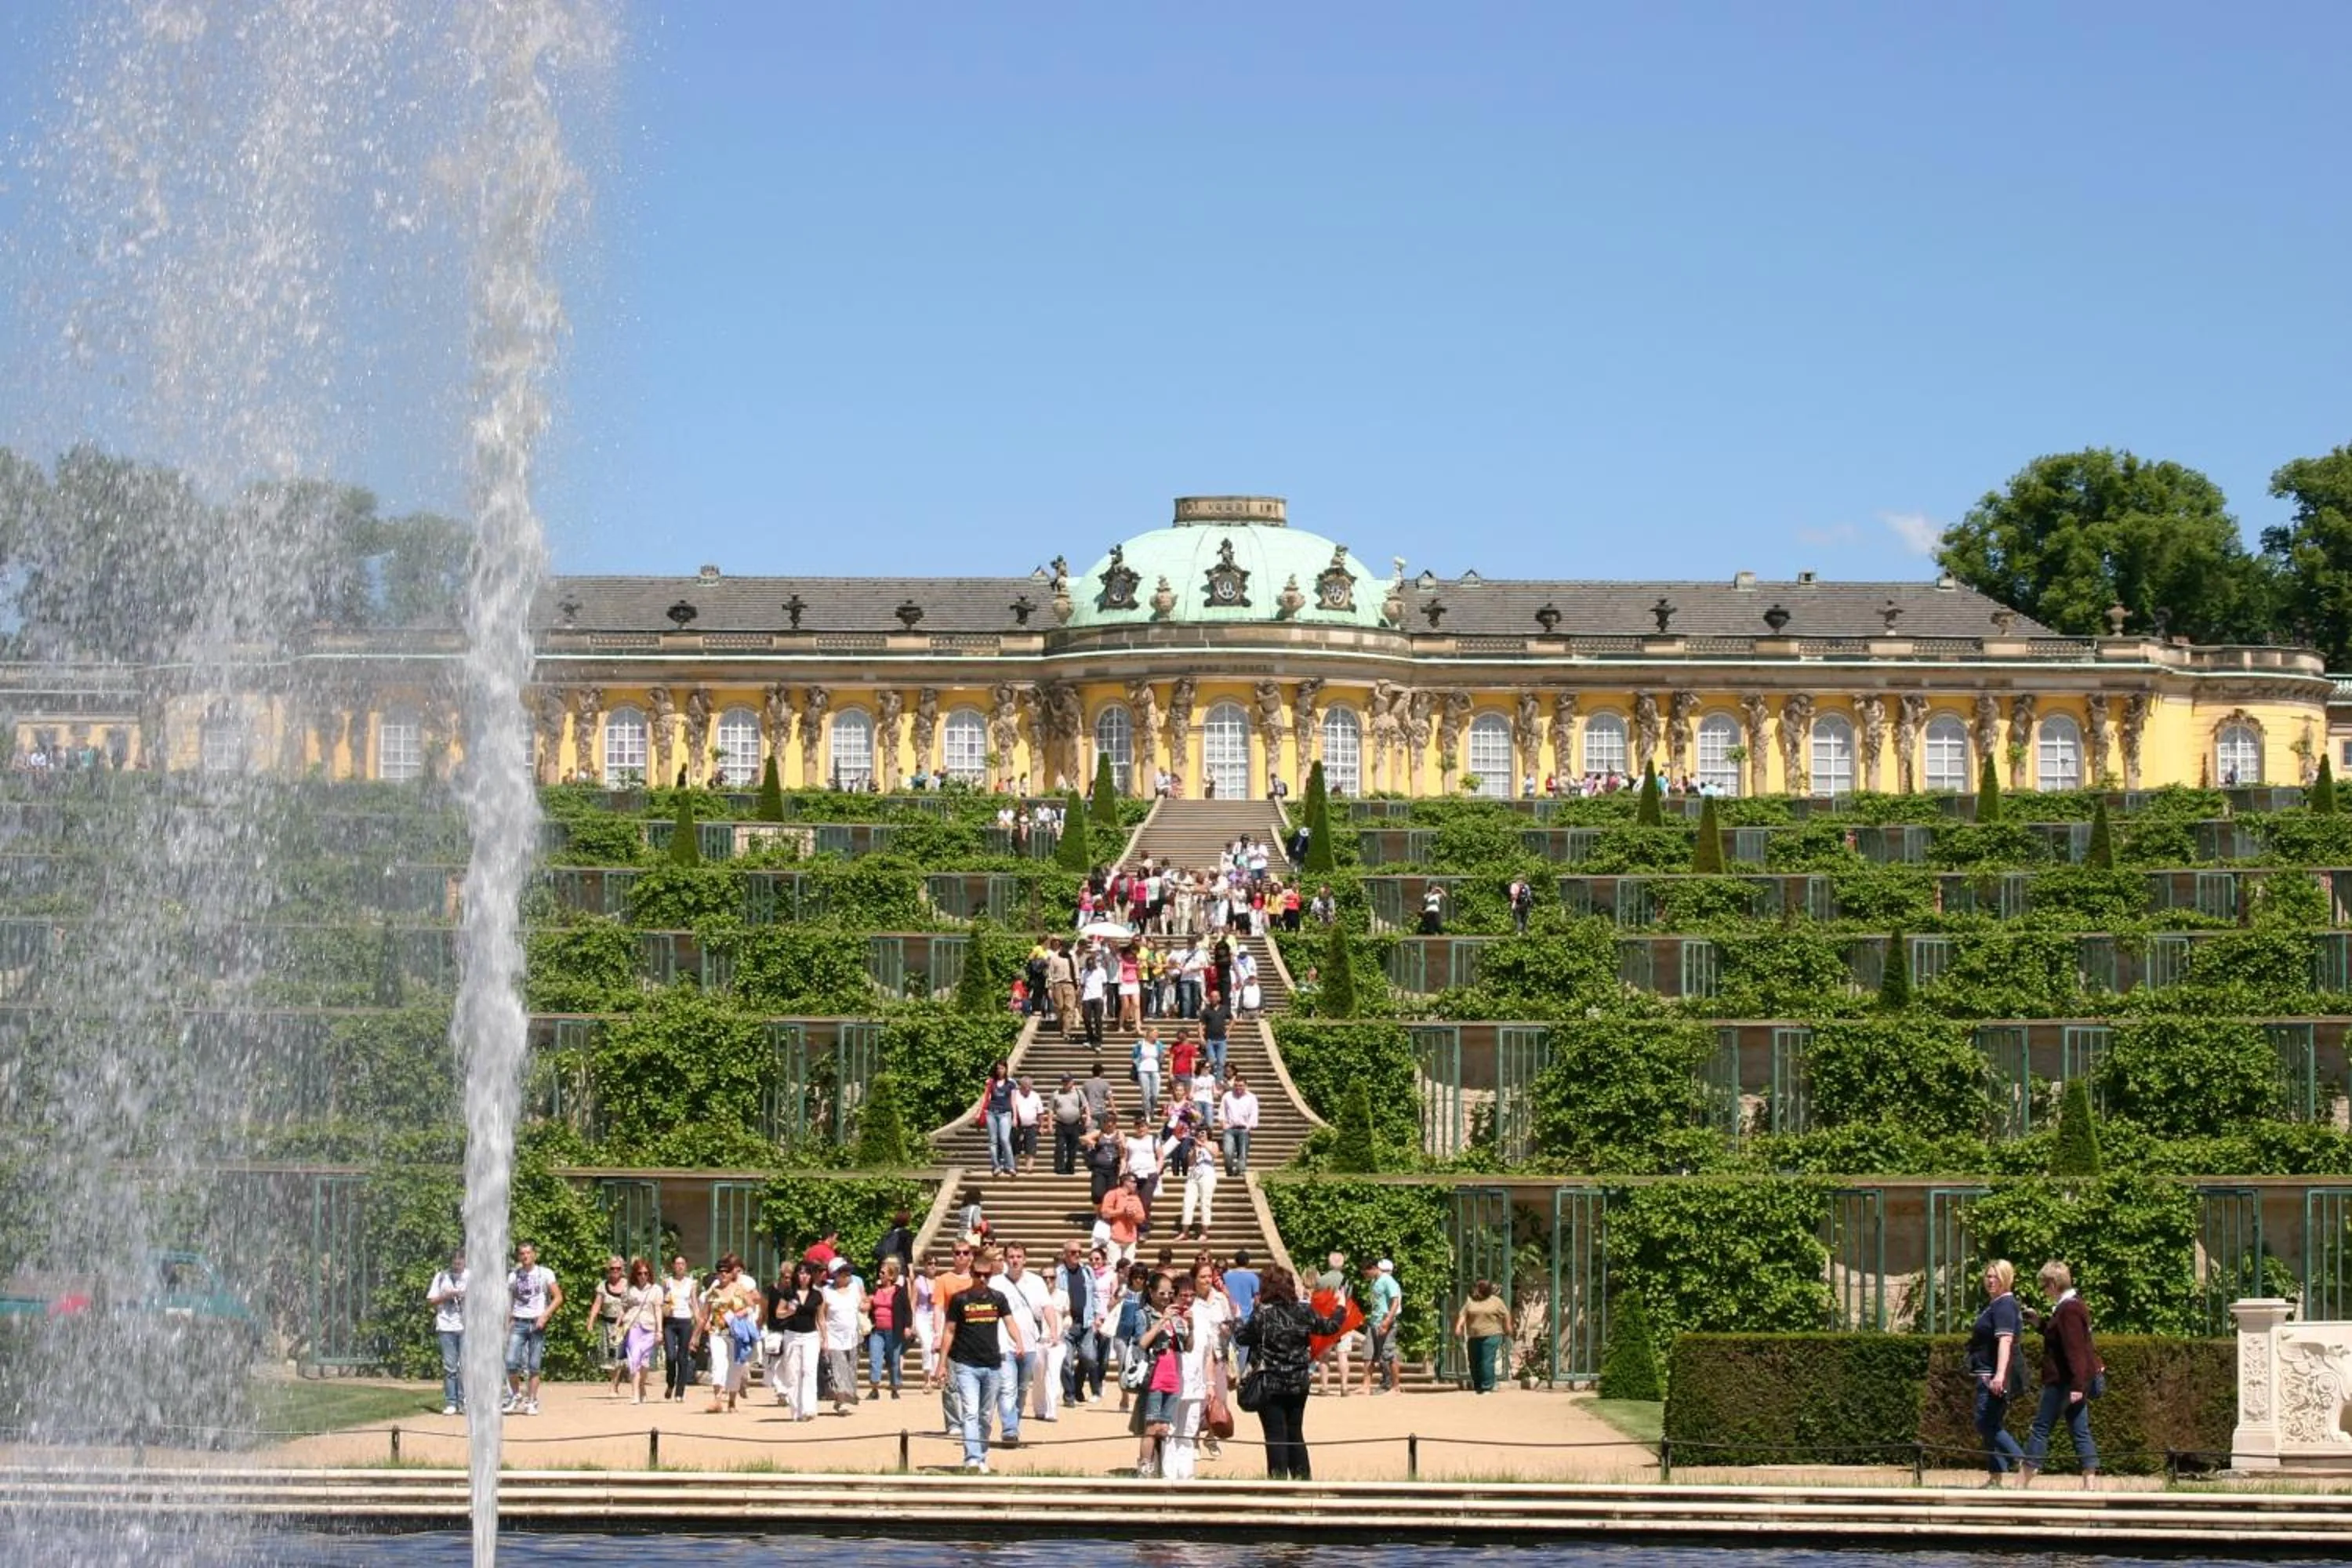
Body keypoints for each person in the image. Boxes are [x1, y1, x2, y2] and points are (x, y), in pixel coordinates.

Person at [1234, 1263, 1349, 1479]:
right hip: (1298, 1381)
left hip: (1270, 1382)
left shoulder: (1263, 1315)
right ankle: (1303, 1480)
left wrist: (1241, 1317)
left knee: (1275, 1434)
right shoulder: (1304, 1311)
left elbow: (1241, 1337)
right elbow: (1330, 1328)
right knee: (1295, 1432)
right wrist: (1341, 1308)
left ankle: (1278, 1482)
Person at [2020, 1260, 2103, 1489]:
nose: (2044, 1291)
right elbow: (2067, 1340)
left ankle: (2023, 1481)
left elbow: (2075, 1350)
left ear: (2054, 1284)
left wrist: (2077, 1385)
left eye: (2044, 1286)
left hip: (2062, 1382)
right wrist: (2039, 1323)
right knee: (2079, 1429)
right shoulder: (2072, 1306)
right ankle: (2090, 1484)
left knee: (2041, 1428)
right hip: (2072, 1382)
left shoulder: (2069, 1309)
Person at [938, 1245, 1021, 1473]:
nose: (982, 1279)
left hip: (993, 1364)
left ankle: (981, 1455)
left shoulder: (998, 1298)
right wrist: (941, 1364)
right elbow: (949, 1331)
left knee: (985, 1415)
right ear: (972, 1274)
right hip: (966, 1364)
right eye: (978, 1275)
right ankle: (972, 1458)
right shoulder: (959, 1299)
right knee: (971, 1411)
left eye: (987, 1275)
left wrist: (1019, 1342)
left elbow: (1010, 1322)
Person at [1969, 1258, 2026, 1483]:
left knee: (1985, 1423)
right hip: (1987, 1373)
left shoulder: (2004, 1305)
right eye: (1988, 1276)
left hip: (1993, 1375)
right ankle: (1996, 1477)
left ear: (2007, 1279)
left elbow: (2005, 1340)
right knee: (1991, 1423)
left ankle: (2023, 1461)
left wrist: (1999, 1376)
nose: (1991, 1281)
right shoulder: (1996, 1304)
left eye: (1996, 1277)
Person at [1000, 1243, 1056, 1428]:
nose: (1015, 1260)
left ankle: (1014, 1420)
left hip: (1030, 1342)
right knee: (1008, 1388)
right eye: (1011, 1256)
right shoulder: (996, 1282)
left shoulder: (1036, 1281)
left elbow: (1047, 1307)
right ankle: (1010, 1428)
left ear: (1025, 1259)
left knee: (1022, 1388)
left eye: (1018, 1256)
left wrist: (1053, 1330)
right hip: (1004, 1343)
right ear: (1006, 1259)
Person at [503, 1242, 561, 1417]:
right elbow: (509, 1300)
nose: (526, 1256)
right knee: (511, 1361)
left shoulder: (545, 1273)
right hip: (519, 1322)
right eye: (522, 1253)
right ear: (519, 1256)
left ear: (534, 1255)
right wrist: (508, 1319)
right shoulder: (513, 1276)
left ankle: (532, 1400)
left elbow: (558, 1297)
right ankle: (516, 1395)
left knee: (534, 1365)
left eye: (529, 1253)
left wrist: (545, 1315)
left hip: (536, 1323)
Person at [931, 1242, 977, 1439]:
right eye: (957, 1253)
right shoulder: (943, 1280)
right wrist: (937, 1335)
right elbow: (938, 1309)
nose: (961, 1256)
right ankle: (953, 1422)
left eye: (965, 1253)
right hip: (952, 1333)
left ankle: (970, 1419)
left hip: (974, 1334)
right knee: (950, 1380)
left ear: (971, 1256)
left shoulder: (977, 1278)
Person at [819, 1257, 867, 1414]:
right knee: (839, 1369)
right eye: (843, 1272)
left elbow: (865, 1304)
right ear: (835, 1274)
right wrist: (824, 1338)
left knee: (851, 1368)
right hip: (834, 1337)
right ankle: (842, 1400)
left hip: (853, 1335)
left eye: (848, 1272)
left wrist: (865, 1306)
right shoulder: (826, 1292)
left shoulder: (855, 1288)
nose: (847, 1275)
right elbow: (822, 1316)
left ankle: (843, 1398)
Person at [1056, 1239, 1100, 1407]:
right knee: (1066, 1361)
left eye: (1079, 1252)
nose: (1077, 1255)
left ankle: (1077, 1385)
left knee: (1089, 1358)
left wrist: (1097, 1315)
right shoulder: (1059, 1273)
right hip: (1067, 1324)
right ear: (1065, 1254)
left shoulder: (1087, 1271)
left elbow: (1095, 1294)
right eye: (1073, 1252)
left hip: (1086, 1322)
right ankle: (1069, 1395)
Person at [1453, 1277, 1512, 1393]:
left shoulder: (1496, 1301)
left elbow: (1506, 1315)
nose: (1475, 1291)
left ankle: (1487, 1386)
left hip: (1492, 1335)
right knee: (1474, 1362)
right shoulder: (1471, 1301)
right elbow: (1463, 1314)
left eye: (1478, 1289)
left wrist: (1508, 1327)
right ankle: (1478, 1386)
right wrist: (1458, 1327)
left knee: (1486, 1361)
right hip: (1474, 1336)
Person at [427, 1249, 467, 1417]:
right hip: (445, 1327)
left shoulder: (471, 1276)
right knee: (450, 1366)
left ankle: (464, 1401)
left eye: (460, 1262)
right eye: (455, 1262)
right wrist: (446, 1296)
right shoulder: (441, 1277)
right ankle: (451, 1402)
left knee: (466, 1366)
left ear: (465, 1261)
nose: (457, 1265)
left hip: (466, 1326)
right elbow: (431, 1301)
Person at [587, 1255, 630, 1398]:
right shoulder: (602, 1286)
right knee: (609, 1356)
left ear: (622, 1269)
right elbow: (597, 1304)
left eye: (618, 1268)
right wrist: (591, 1321)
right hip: (607, 1324)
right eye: (613, 1268)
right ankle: (615, 1381)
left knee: (618, 1355)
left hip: (622, 1326)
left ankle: (613, 1385)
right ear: (608, 1269)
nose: (615, 1271)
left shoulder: (628, 1285)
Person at [866, 1256, 909, 1400]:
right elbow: (868, 1304)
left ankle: (895, 1387)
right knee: (875, 1357)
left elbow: (907, 1310)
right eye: (880, 1272)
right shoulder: (875, 1289)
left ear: (891, 1276)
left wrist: (908, 1326)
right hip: (877, 1330)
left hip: (894, 1330)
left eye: (883, 1273)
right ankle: (874, 1387)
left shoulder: (900, 1291)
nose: (880, 1275)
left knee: (894, 1360)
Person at [1314, 1251, 1353, 1396]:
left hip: (1325, 1320)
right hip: (1343, 1320)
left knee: (1324, 1356)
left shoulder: (1321, 1280)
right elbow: (1348, 1299)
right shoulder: (1347, 1280)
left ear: (1329, 1263)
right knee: (1342, 1355)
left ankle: (1324, 1387)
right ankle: (1344, 1387)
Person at [661, 1256, 699, 1402]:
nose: (680, 1266)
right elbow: (662, 1302)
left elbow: (694, 1303)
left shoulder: (691, 1283)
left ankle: (679, 1392)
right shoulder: (667, 1282)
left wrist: (699, 1321)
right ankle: (670, 1383)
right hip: (670, 1321)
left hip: (685, 1321)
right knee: (671, 1356)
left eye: (682, 1264)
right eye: (677, 1264)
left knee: (682, 1357)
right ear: (673, 1266)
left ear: (686, 1266)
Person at [1362, 1258, 1402, 1395]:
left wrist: (1387, 1321)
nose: (1365, 1276)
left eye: (1366, 1273)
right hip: (1374, 1322)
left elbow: (1395, 1302)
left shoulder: (1388, 1280)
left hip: (1386, 1322)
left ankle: (1396, 1387)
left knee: (1388, 1354)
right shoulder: (1374, 1282)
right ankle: (1365, 1386)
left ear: (1374, 1268)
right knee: (1369, 1353)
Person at [1098, 1171, 1147, 1268]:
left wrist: (1133, 1215)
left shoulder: (1135, 1198)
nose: (1135, 1184)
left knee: (1128, 1268)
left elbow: (1141, 1218)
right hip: (1114, 1238)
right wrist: (1122, 1211)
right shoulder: (1113, 1194)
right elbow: (1105, 1213)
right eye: (1133, 1182)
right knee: (1113, 1268)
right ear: (1126, 1182)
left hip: (1130, 1239)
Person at [982, 1060, 1017, 1178]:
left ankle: (1010, 1166)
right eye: (998, 1069)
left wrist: (1015, 1116)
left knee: (1004, 1139)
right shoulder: (991, 1082)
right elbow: (987, 1097)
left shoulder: (1011, 1083)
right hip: (992, 1113)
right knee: (993, 1141)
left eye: (1002, 1068)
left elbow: (1013, 1101)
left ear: (1006, 1069)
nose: (1000, 1071)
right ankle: (996, 1166)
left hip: (1005, 1113)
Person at [1219, 1073, 1259, 1175]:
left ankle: (1240, 1171)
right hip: (1230, 1129)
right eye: (1236, 1085)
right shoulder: (1227, 1096)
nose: (1238, 1088)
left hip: (1244, 1129)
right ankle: (1229, 1171)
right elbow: (1222, 1111)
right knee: (1228, 1152)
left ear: (1246, 1086)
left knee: (1242, 1153)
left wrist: (1249, 1127)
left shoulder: (1251, 1097)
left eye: (1241, 1086)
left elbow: (1254, 1113)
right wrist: (1223, 1125)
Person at [1051, 1074, 1089, 1175]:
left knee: (1072, 1147)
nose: (1065, 1083)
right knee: (1060, 1146)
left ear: (1072, 1082)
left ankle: (1070, 1167)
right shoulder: (1056, 1093)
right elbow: (1050, 1109)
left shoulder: (1078, 1093)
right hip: (1060, 1124)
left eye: (1067, 1081)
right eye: (1064, 1081)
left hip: (1075, 1124)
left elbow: (1086, 1105)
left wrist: (1088, 1117)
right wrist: (1050, 1124)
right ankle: (1059, 1167)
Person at [1011, 1075, 1044, 1174]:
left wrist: (1041, 1126)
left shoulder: (1035, 1095)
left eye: (1030, 1087)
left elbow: (1040, 1112)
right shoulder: (1015, 1094)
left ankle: (1029, 1168)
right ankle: (1014, 1167)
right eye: (1025, 1087)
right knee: (1016, 1148)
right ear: (1020, 1086)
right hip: (1018, 1126)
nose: (1028, 1089)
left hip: (1032, 1126)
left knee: (1031, 1148)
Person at [1197, 993, 1231, 1080]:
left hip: (1221, 1040)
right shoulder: (1206, 1010)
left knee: (1221, 1062)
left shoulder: (1224, 1009)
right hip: (1210, 1040)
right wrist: (1201, 1036)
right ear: (1209, 998)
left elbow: (1233, 1019)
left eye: (1216, 997)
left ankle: (1218, 1082)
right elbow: (1200, 1023)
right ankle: (1211, 1079)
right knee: (1211, 1061)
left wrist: (1229, 1030)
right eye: (1212, 997)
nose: (1214, 998)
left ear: (1219, 998)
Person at [1132, 1028, 1163, 1122]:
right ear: (1149, 1034)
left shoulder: (1158, 1044)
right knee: (1145, 1094)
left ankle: (1152, 1109)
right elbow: (1134, 1056)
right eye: (1155, 1034)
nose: (1156, 1036)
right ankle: (1147, 1113)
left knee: (1155, 1094)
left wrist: (1162, 1058)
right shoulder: (1141, 1044)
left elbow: (1161, 1056)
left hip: (1155, 1070)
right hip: (1143, 1070)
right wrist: (1137, 1065)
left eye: (1157, 1034)